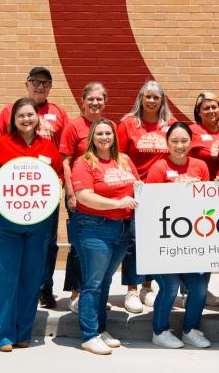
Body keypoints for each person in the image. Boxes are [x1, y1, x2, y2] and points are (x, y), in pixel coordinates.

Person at [0, 97, 64, 351]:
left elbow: (57, 176)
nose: (26, 119)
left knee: (31, 278)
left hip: (37, 223)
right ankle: (2, 335)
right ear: (14, 120)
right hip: (4, 223)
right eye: (21, 115)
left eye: (30, 115)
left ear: (38, 118)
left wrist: (58, 187)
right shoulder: (0, 145)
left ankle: (23, 332)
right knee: (7, 276)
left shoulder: (47, 147)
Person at [0, 67, 69, 310]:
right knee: (7, 242)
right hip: (14, 191)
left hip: (44, 193)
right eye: (35, 81)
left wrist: (61, 184)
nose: (40, 86)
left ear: (50, 87)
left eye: (45, 82)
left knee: (47, 242)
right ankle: (0, 285)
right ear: (27, 84)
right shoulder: (10, 111)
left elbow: (64, 153)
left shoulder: (58, 113)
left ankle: (44, 288)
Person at [71, 118, 138, 355]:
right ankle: (89, 335)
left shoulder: (125, 160)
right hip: (93, 227)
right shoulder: (84, 162)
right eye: (99, 133)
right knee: (93, 283)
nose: (104, 137)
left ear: (114, 136)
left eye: (108, 133)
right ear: (92, 137)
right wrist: (117, 202)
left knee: (105, 281)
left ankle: (99, 329)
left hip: (121, 228)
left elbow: (137, 188)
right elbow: (83, 196)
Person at [144, 122, 213, 349]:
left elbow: (210, 203)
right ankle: (159, 330)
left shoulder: (200, 166)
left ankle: (190, 330)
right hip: (164, 242)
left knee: (199, 288)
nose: (179, 145)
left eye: (184, 141)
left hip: (192, 241)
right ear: (167, 143)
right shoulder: (159, 168)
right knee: (170, 286)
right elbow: (149, 204)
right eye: (174, 141)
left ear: (191, 142)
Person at [117, 80, 173, 313]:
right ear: (140, 98)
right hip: (136, 190)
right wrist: (130, 181)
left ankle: (147, 286)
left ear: (162, 100)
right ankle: (132, 288)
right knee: (133, 241)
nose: (151, 100)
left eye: (156, 97)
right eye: (147, 96)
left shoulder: (169, 125)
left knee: (155, 240)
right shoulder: (128, 124)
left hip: (162, 192)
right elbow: (118, 156)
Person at [58, 82, 108, 313]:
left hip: (103, 197)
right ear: (83, 101)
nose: (95, 103)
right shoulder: (73, 127)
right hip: (79, 195)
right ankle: (76, 294)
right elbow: (65, 162)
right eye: (91, 99)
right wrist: (70, 192)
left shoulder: (109, 127)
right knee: (80, 246)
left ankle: (95, 293)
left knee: (100, 247)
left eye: (99, 99)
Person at [190, 91, 219, 180]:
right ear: (199, 112)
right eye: (206, 108)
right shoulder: (192, 130)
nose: (211, 111)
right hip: (202, 184)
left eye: (214, 107)